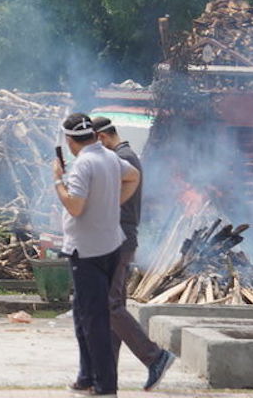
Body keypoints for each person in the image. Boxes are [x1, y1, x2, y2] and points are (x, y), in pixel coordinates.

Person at [52, 113, 140, 397]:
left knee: (95, 321)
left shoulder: (82, 165)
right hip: (109, 246)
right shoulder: (110, 157)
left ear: (69, 141)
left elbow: (75, 207)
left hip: (87, 252)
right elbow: (133, 177)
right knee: (83, 316)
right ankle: (86, 376)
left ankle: (104, 385)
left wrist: (58, 182)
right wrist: (111, 203)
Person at [92, 116, 175, 391]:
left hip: (118, 240)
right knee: (113, 307)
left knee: (109, 305)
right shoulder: (124, 157)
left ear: (102, 138)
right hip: (118, 239)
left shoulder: (122, 159)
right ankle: (105, 374)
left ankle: (155, 356)